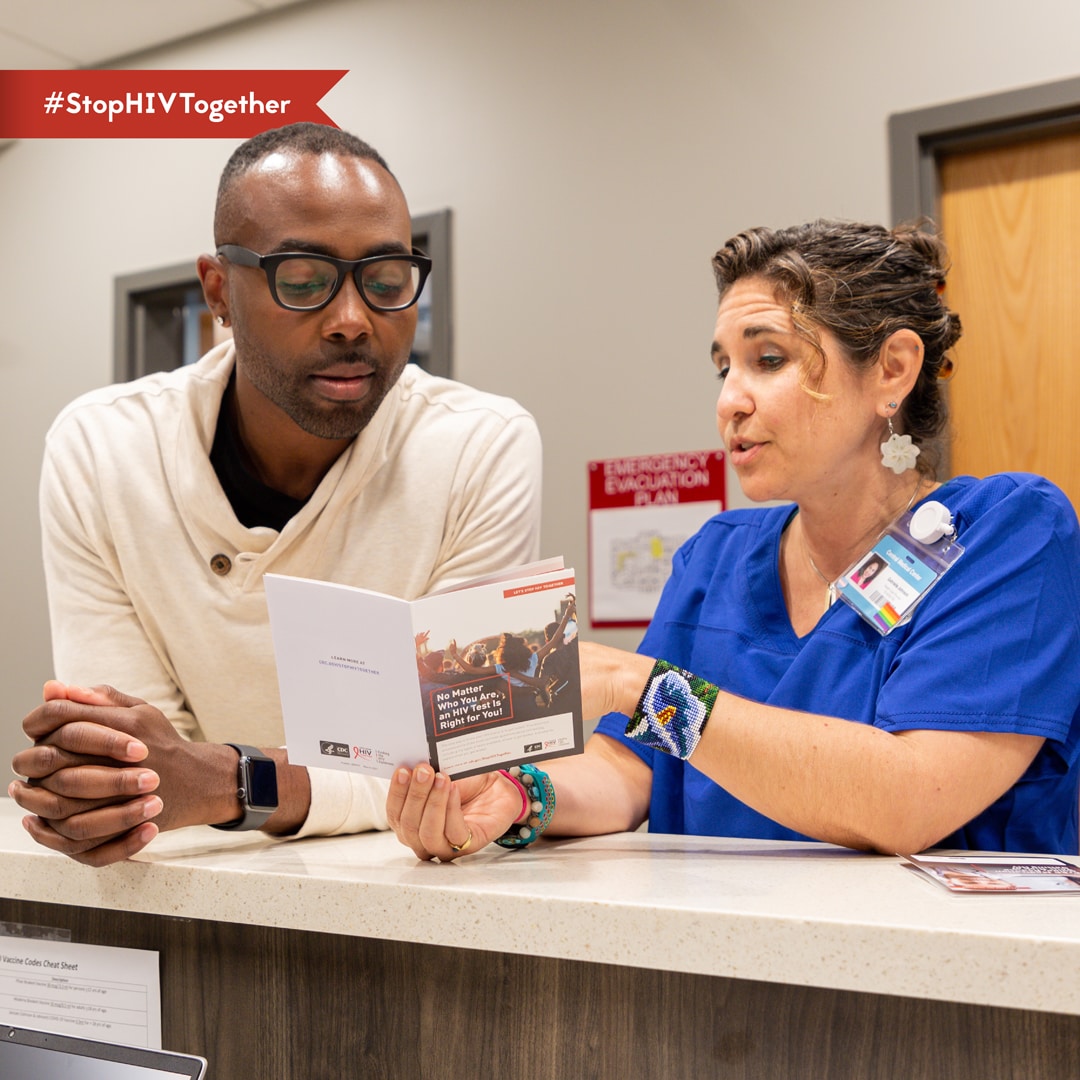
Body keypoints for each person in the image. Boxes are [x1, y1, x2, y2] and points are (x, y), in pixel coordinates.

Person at [387, 219, 1080, 862]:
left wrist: (636, 684)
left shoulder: (1006, 532)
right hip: (720, 944)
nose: (729, 402)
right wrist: (518, 794)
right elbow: (631, 770)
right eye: (725, 368)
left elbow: (909, 800)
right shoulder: (718, 556)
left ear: (892, 370)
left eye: (769, 359)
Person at [9, 122, 542, 866]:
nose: (352, 320)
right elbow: (139, 768)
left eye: (387, 280)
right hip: (191, 894)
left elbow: (464, 759)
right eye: (302, 280)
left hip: (412, 892)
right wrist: (106, 787)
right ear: (218, 291)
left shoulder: (480, 447)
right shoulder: (102, 449)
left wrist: (233, 782)